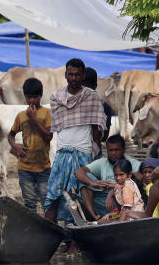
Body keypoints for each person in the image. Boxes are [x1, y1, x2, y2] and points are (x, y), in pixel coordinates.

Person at [43, 58, 107, 223]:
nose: (74, 78)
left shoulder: (92, 97)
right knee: (53, 195)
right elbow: (58, 126)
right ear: (65, 75)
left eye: (77, 75)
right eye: (70, 74)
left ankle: (74, 241)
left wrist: (92, 153)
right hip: (62, 153)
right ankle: (51, 237)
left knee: (78, 198)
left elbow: (96, 129)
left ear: (83, 75)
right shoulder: (57, 97)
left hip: (83, 154)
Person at [7, 77, 52, 213]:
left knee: (46, 202)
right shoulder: (21, 116)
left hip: (43, 168)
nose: (32, 100)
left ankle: (48, 229)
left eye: (35, 97)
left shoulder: (47, 113)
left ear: (41, 95)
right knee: (30, 202)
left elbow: (48, 136)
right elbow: (10, 135)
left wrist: (33, 118)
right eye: (29, 97)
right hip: (25, 168)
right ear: (25, 97)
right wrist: (15, 146)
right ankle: (33, 229)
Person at [75, 134, 141, 221]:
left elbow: (137, 185)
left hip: (124, 200)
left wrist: (112, 187)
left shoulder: (133, 163)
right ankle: (93, 215)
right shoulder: (102, 162)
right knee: (84, 180)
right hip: (105, 200)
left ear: (124, 150)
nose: (113, 153)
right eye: (111, 150)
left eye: (117, 150)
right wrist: (94, 183)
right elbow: (78, 172)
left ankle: (108, 218)